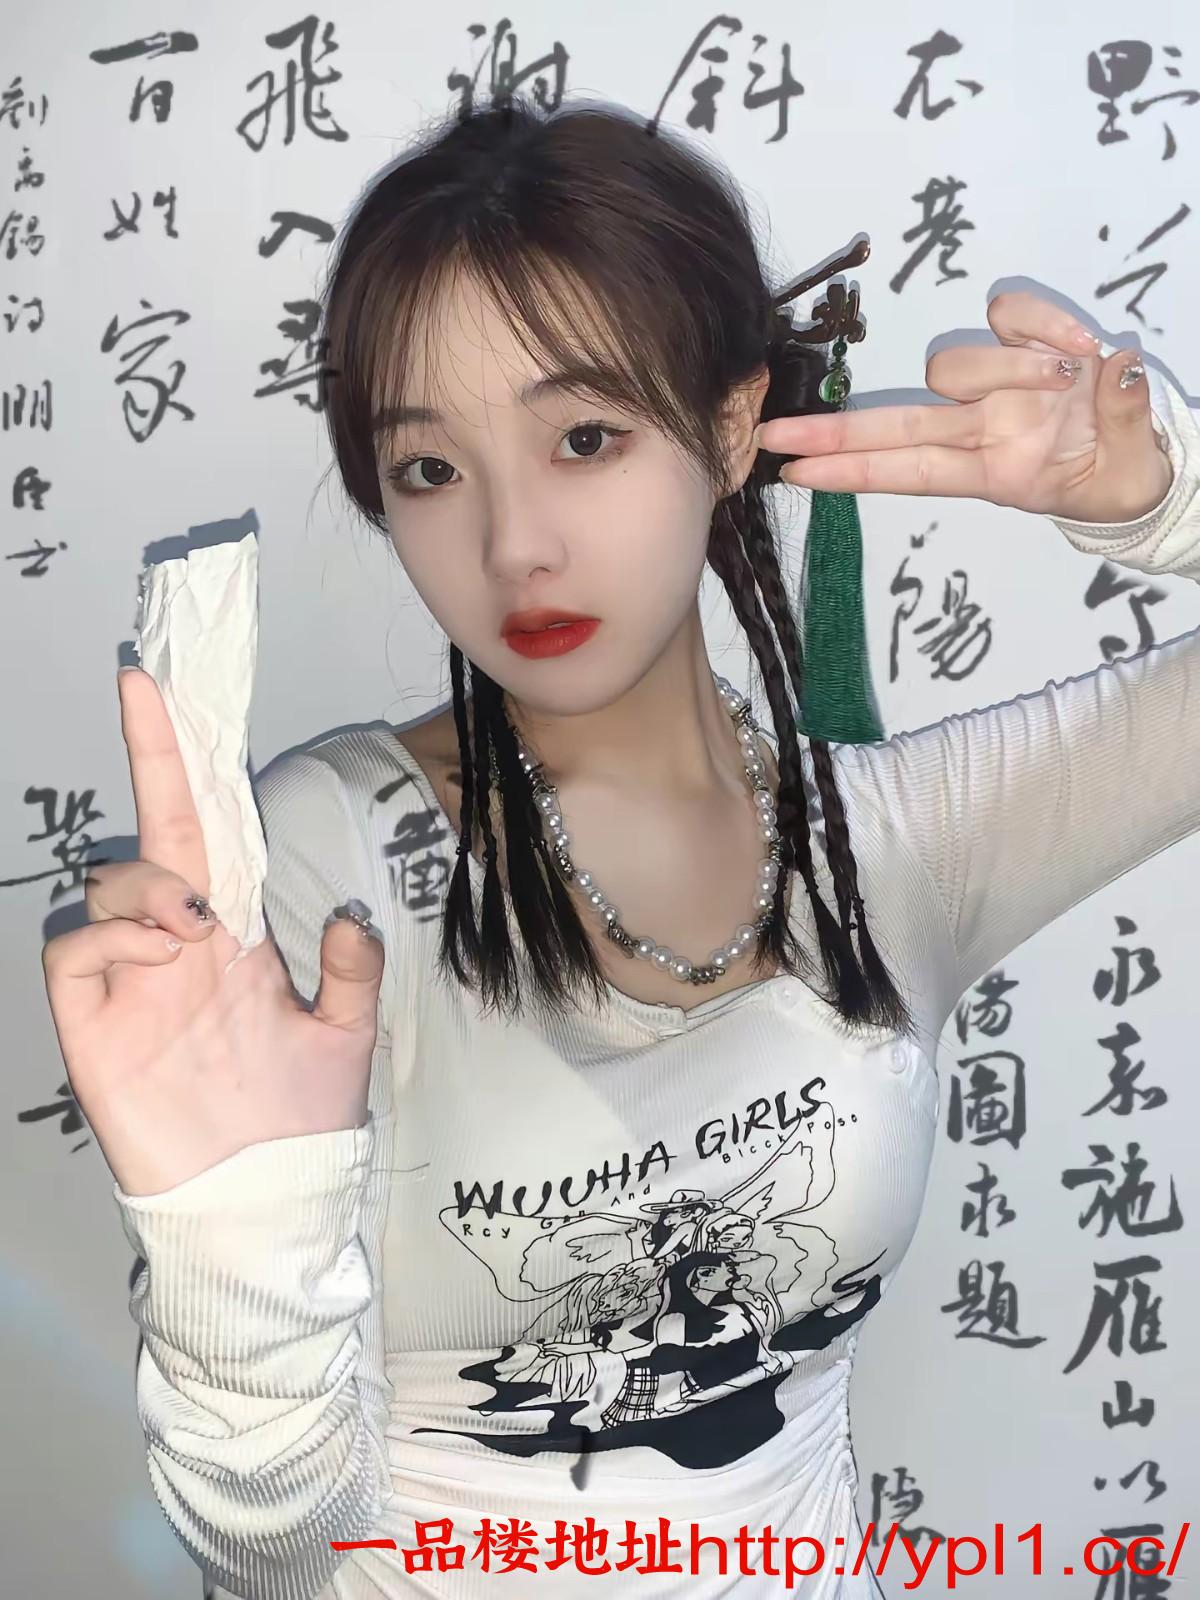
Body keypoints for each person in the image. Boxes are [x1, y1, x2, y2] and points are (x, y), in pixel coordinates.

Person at [40, 92, 1199, 1600]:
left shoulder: (893, 847)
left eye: (585, 438)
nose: (512, 544)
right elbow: (280, 1552)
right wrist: (228, 1243)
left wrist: (1169, 505)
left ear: (726, 427)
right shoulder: (329, 874)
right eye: (430, 470)